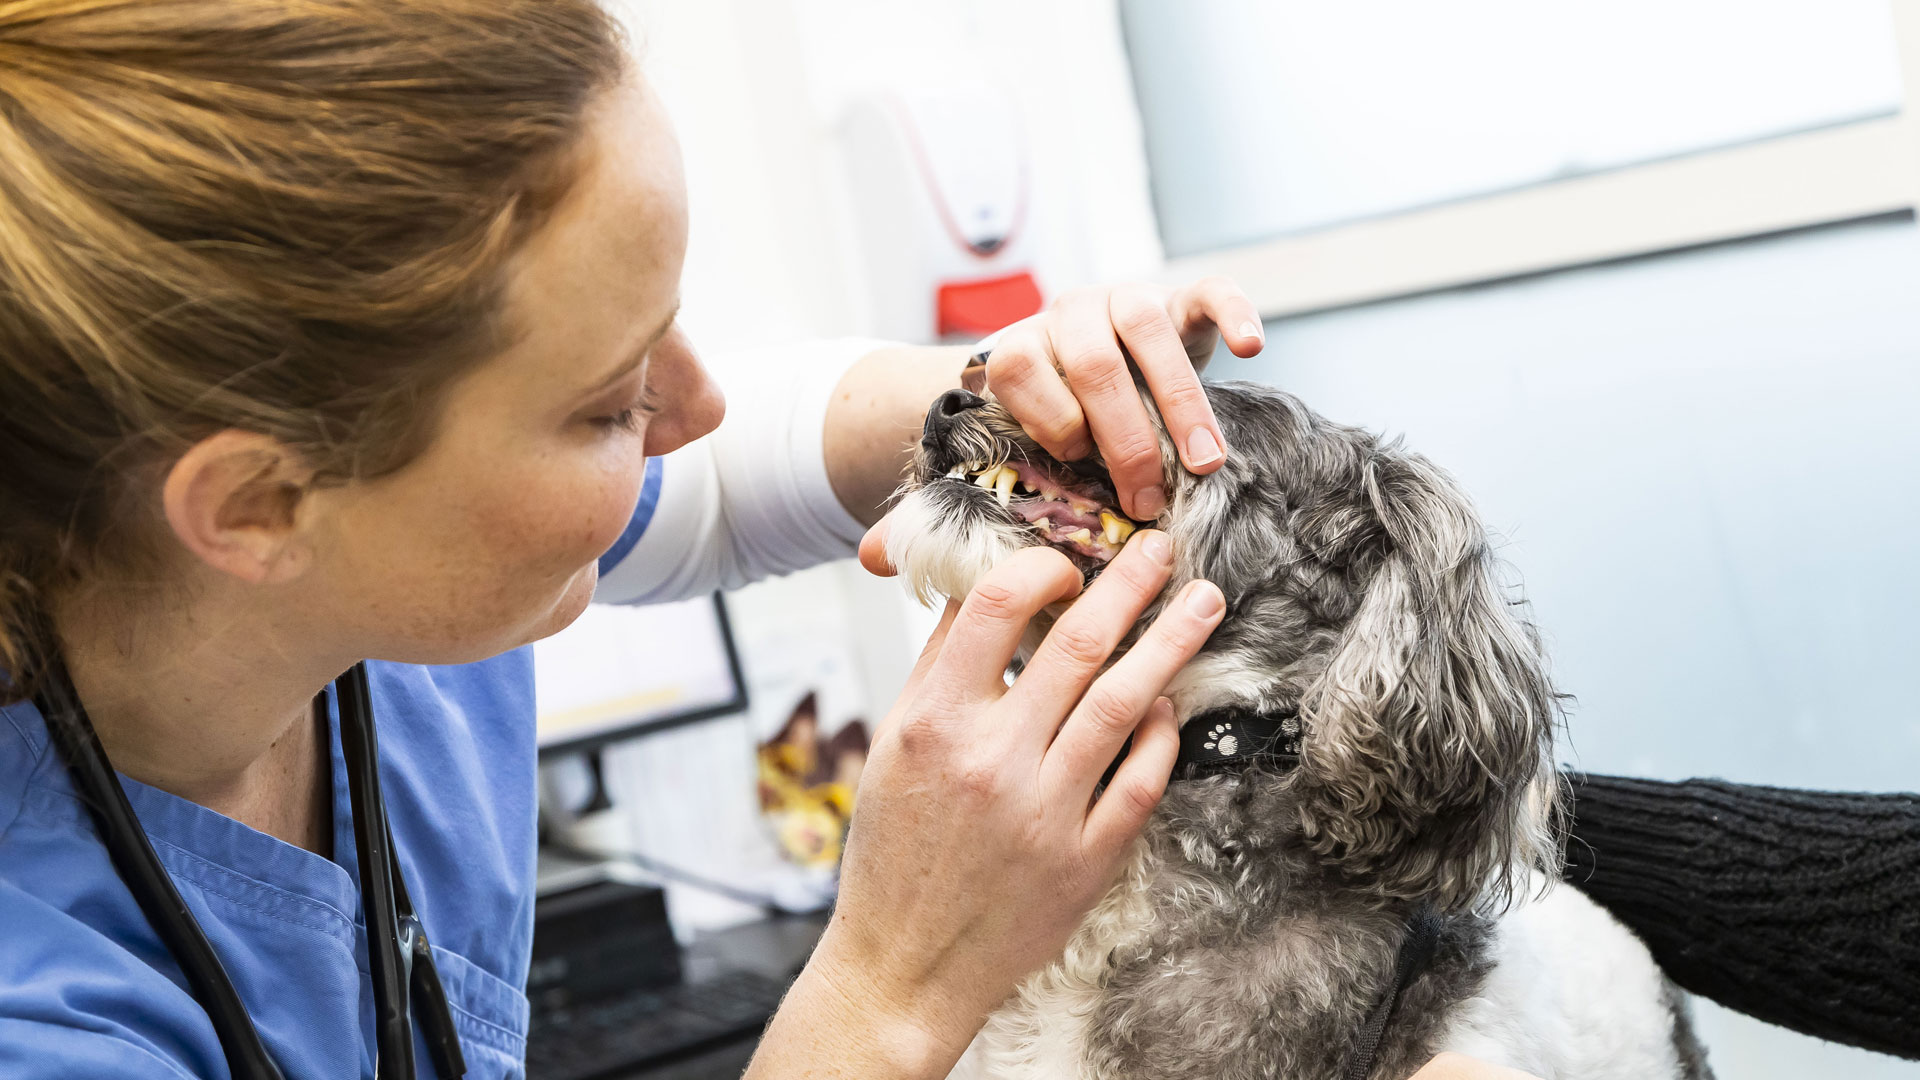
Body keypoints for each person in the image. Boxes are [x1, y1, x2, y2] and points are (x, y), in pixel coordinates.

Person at [0, 2, 1249, 1077]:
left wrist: (999, 392)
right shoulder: (41, 1015)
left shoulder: (382, 570)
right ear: (255, 508)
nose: (692, 406)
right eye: (607, 403)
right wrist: (893, 983)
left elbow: (723, 467)